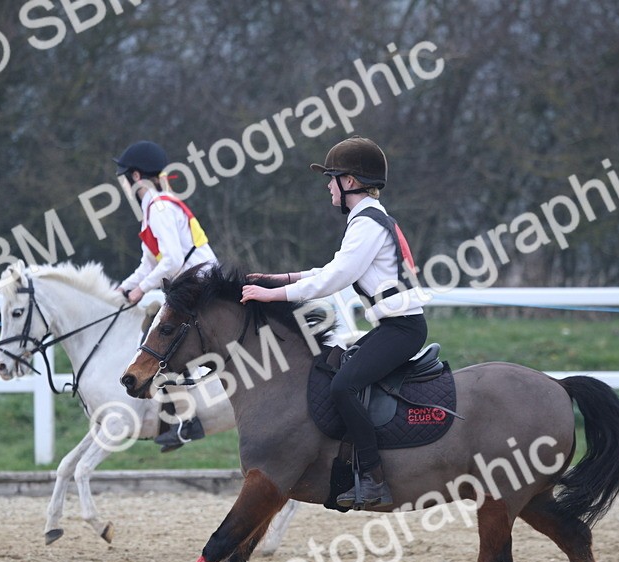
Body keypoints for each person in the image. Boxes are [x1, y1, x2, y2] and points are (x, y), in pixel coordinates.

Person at [241, 136, 428, 511]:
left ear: (351, 182)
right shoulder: (369, 218)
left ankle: (375, 478)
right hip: (393, 326)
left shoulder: (368, 223)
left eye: (332, 178)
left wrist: (271, 296)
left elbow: (335, 279)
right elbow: (328, 270)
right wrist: (281, 278)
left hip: (401, 330)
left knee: (343, 387)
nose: (328, 186)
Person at [114, 140, 218, 451]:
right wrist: (121, 289)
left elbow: (171, 259)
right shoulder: (154, 209)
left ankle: (188, 420)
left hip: (199, 282)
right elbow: (149, 263)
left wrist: (141, 289)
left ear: (134, 177)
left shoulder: (159, 208)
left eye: (123, 177)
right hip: (189, 282)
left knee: (159, 336)